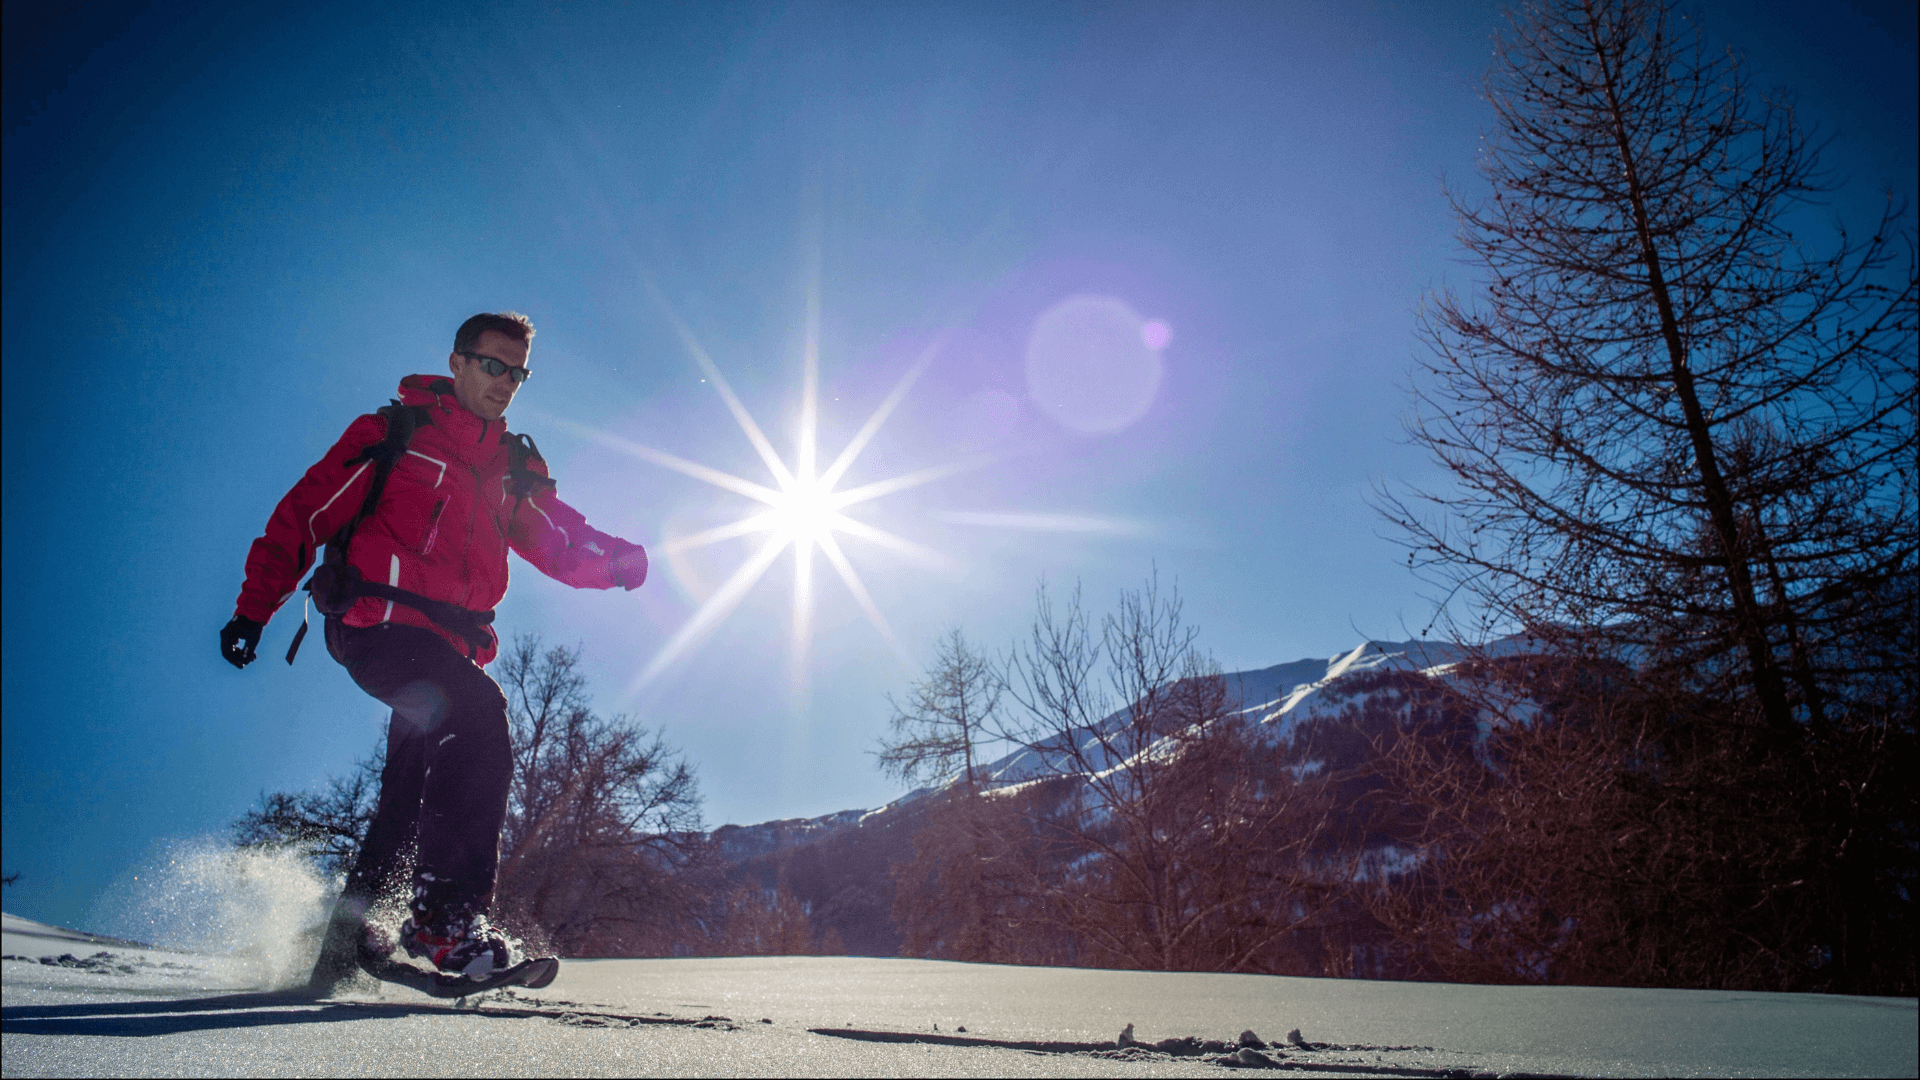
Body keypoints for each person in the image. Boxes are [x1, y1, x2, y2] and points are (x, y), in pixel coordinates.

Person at [220, 312, 648, 990]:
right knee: (476, 714)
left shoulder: (512, 466)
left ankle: (342, 948)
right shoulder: (397, 433)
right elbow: (305, 513)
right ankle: (444, 922)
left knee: (407, 792)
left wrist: (615, 563)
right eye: (492, 365)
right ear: (457, 362)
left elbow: (557, 541)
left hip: (448, 649)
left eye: (518, 372)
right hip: (377, 628)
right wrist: (253, 609)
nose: (505, 383)